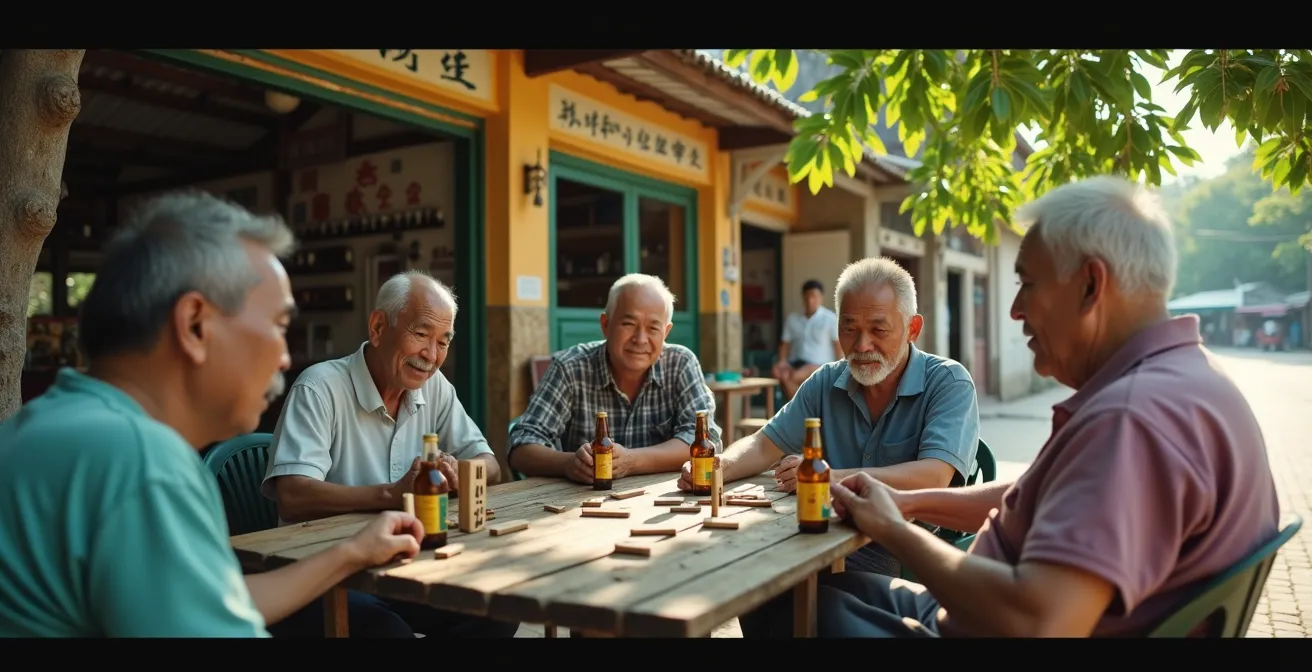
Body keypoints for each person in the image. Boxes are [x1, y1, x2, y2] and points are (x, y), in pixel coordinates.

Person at [738, 175, 1282, 638]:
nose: (1016, 310)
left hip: (988, 622)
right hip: (969, 603)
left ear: (1091, 285)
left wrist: (896, 532)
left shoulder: (1131, 419)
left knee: (780, 604)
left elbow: (1037, 623)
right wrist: (905, 505)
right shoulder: (1189, 379)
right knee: (794, 588)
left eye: (1027, 284)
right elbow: (1028, 497)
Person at [0, 191, 422, 637]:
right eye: (279, 326)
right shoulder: (144, 463)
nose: (284, 358)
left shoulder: (47, 427)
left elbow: (211, 602)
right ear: (195, 324)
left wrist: (350, 554)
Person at [680, 257, 979, 581]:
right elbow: (764, 444)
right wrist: (717, 468)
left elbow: (933, 476)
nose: (862, 345)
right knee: (727, 564)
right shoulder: (827, 381)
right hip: (823, 533)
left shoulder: (948, 382)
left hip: (899, 548)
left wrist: (829, 478)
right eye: (849, 329)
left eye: (878, 329)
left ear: (913, 328)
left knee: (781, 585)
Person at [261, 269, 516, 638]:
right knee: (385, 631)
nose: (431, 355)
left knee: (497, 607)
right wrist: (391, 495)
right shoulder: (320, 388)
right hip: (323, 570)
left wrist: (457, 472)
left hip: (403, 564)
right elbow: (293, 496)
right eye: (421, 334)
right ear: (378, 328)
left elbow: (489, 464)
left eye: (444, 341)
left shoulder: (436, 387)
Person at [508, 273, 721, 482]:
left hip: (662, 505)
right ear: (605, 325)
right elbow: (521, 446)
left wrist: (632, 461)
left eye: (653, 328)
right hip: (582, 505)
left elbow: (705, 441)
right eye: (628, 324)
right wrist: (568, 464)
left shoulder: (681, 364)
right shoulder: (570, 368)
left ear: (666, 332)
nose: (640, 339)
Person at [772, 279, 841, 400]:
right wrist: (782, 362)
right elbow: (784, 344)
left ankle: (800, 410)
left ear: (821, 298)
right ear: (803, 297)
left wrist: (840, 368)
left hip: (819, 365)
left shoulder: (830, 319)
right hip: (795, 363)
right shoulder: (792, 318)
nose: (810, 301)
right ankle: (804, 409)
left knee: (793, 376)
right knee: (779, 373)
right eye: (807, 297)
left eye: (814, 297)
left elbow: (838, 345)